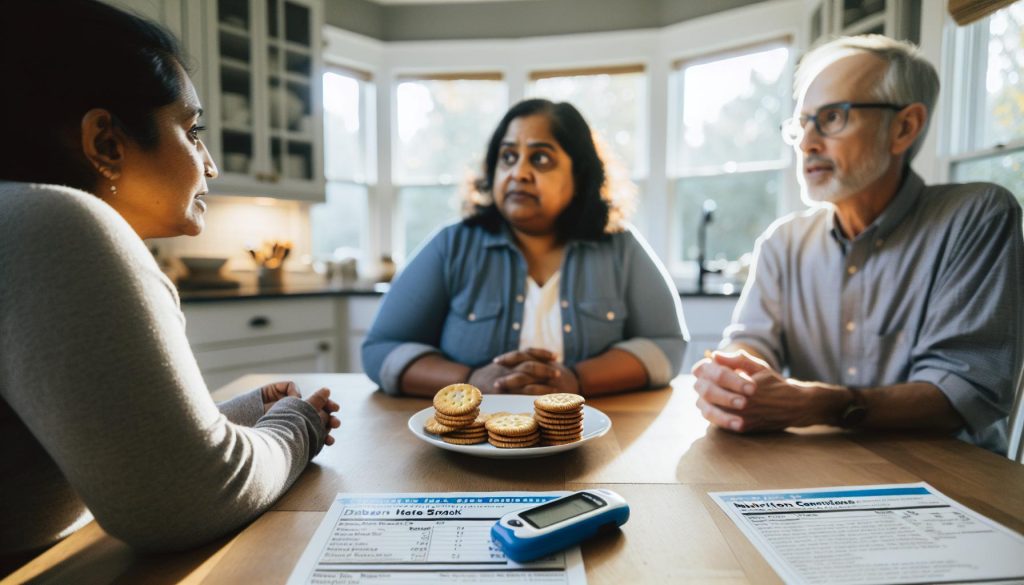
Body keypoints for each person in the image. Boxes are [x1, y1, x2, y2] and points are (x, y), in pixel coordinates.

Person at [0, 0, 341, 561]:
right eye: (192, 129)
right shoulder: (56, 224)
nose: (210, 165)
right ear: (106, 142)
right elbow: (185, 499)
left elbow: (124, 458)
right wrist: (298, 425)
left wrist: (244, 414)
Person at [692, 35, 1023, 454]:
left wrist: (816, 404)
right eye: (801, 124)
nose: (808, 143)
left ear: (904, 128)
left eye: (831, 117)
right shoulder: (782, 241)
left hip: (949, 481)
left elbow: (962, 392)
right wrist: (738, 377)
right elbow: (752, 342)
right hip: (820, 468)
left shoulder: (976, 216)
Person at [362, 99, 687, 398]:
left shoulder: (620, 248)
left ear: (579, 174)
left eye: (541, 158)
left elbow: (667, 345)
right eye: (508, 157)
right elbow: (380, 349)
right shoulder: (452, 245)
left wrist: (576, 379)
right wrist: (472, 381)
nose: (518, 173)